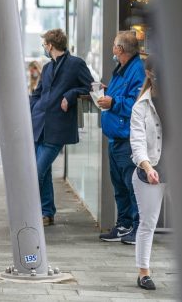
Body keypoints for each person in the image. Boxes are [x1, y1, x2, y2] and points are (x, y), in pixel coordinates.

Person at [31, 29, 93, 226]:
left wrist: (70, 94)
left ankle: (35, 212)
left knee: (36, 171)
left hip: (57, 128)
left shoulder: (76, 64)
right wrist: (29, 112)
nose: (43, 48)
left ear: (50, 45)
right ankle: (47, 213)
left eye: (44, 45)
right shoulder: (48, 67)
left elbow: (90, 87)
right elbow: (37, 94)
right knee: (44, 171)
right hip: (38, 125)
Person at [98, 31, 146, 244]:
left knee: (131, 185)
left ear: (120, 49)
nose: (112, 49)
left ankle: (137, 228)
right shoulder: (121, 68)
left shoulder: (137, 70)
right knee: (119, 185)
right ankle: (124, 224)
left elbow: (136, 103)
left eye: (114, 45)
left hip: (126, 138)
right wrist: (108, 93)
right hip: (115, 137)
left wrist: (113, 103)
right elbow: (122, 94)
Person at [130, 57, 165, 290]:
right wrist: (147, 166)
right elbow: (137, 141)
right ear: (151, 75)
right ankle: (144, 272)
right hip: (150, 170)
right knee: (148, 223)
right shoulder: (141, 106)